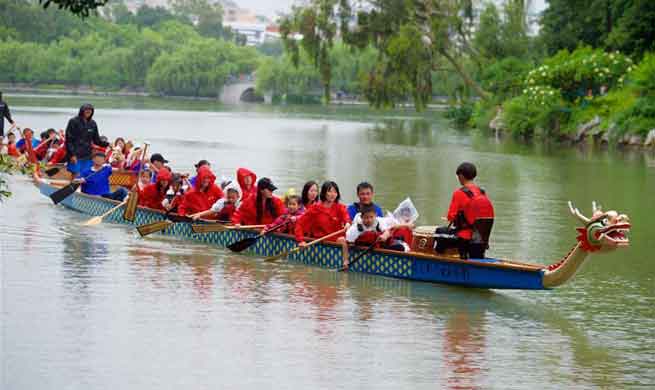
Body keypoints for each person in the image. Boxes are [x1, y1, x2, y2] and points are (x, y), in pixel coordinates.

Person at [445, 162, 495, 259]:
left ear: (461, 176)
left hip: (464, 238)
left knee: (439, 234)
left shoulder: (459, 193)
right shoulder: (482, 192)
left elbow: (451, 216)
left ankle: (440, 260)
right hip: (481, 238)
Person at [295, 181, 351, 265]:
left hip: (336, 238)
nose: (333, 194)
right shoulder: (315, 208)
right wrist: (300, 241)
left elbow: (346, 217)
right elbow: (300, 223)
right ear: (324, 193)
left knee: (347, 238)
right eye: (330, 191)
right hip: (321, 239)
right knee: (342, 240)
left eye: (335, 192)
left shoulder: (340, 207)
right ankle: (346, 262)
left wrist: (347, 223)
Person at [65, 103, 108, 176]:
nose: (88, 112)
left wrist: (108, 144)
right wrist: (72, 155)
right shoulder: (73, 121)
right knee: (76, 174)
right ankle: (73, 187)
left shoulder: (93, 123)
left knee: (85, 174)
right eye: (86, 110)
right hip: (75, 154)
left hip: (87, 155)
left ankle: (82, 188)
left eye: (90, 110)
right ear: (82, 110)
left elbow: (96, 140)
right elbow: (69, 140)